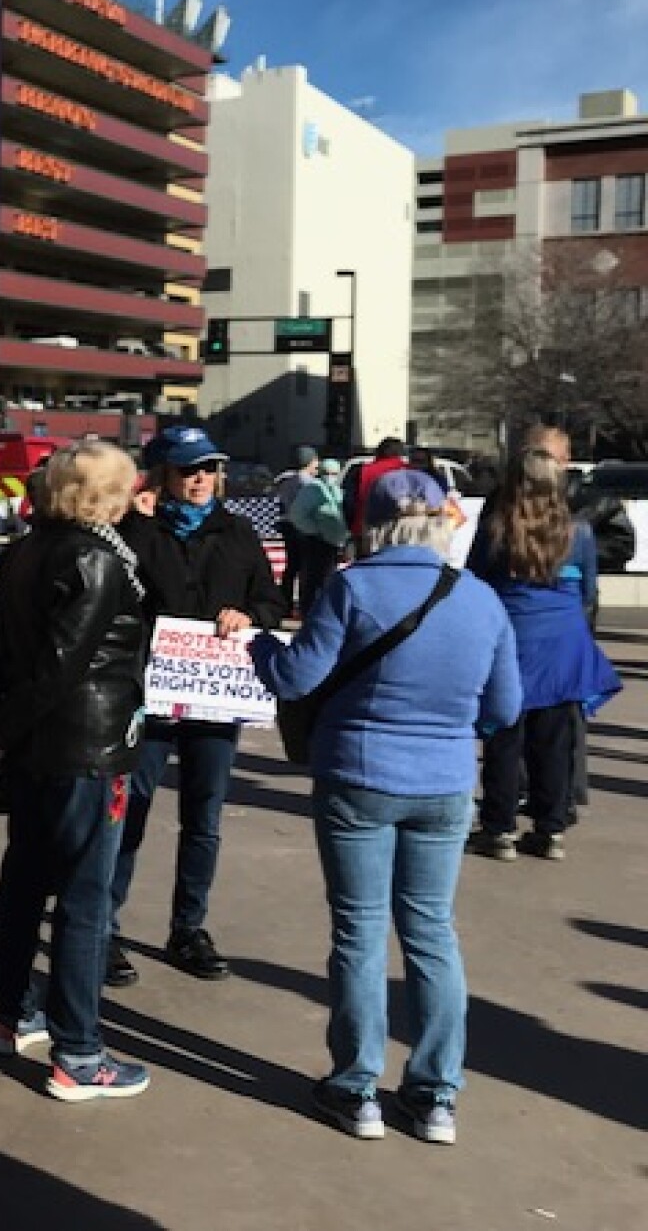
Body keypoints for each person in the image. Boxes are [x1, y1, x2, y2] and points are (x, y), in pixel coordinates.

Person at [250, 469, 520, 1145]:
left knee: (360, 931)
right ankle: (434, 1096)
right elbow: (505, 708)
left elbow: (295, 676)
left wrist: (258, 644)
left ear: (370, 522)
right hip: (445, 781)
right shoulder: (480, 599)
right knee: (431, 931)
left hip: (358, 775)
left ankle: (356, 1087)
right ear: (441, 520)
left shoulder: (353, 587)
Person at [0, 443, 152, 1102]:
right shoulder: (96, 557)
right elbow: (60, 667)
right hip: (87, 747)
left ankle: (10, 1012)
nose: (133, 495)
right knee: (83, 898)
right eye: (124, 486)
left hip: (41, 747)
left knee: (23, 882)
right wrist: (1, 731)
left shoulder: (26, 549)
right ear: (103, 493)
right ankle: (79, 1052)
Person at [109, 425, 285, 985]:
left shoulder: (236, 533)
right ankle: (105, 929)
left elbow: (271, 600)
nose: (201, 479)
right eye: (188, 470)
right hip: (151, 698)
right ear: (160, 476)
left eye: (208, 468)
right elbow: (113, 590)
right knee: (129, 813)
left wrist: (250, 616)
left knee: (203, 818)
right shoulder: (137, 532)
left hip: (214, 701)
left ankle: (188, 927)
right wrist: (135, 522)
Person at [467, 446, 619, 862]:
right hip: (563, 641)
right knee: (554, 741)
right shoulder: (579, 531)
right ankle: (550, 829)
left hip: (512, 635)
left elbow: (475, 584)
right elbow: (587, 591)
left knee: (503, 735)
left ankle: (498, 828)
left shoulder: (497, 528)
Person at [290, 456, 348, 616]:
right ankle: (308, 613)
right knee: (313, 580)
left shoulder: (337, 490)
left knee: (328, 580)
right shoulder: (312, 489)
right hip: (316, 542)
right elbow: (297, 515)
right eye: (327, 472)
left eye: (334, 473)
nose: (331, 476)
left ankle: (324, 612)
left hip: (334, 542)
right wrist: (315, 531)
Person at [273, 445, 319, 614]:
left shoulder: (286, 481)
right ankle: (304, 603)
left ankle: (285, 602)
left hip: (288, 526)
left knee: (291, 566)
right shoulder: (309, 483)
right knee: (306, 567)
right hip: (304, 529)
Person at [343, 437, 408, 541]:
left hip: (365, 529)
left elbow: (349, 503)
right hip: (400, 532)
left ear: (378, 451)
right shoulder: (410, 471)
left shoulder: (362, 471)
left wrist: (351, 526)